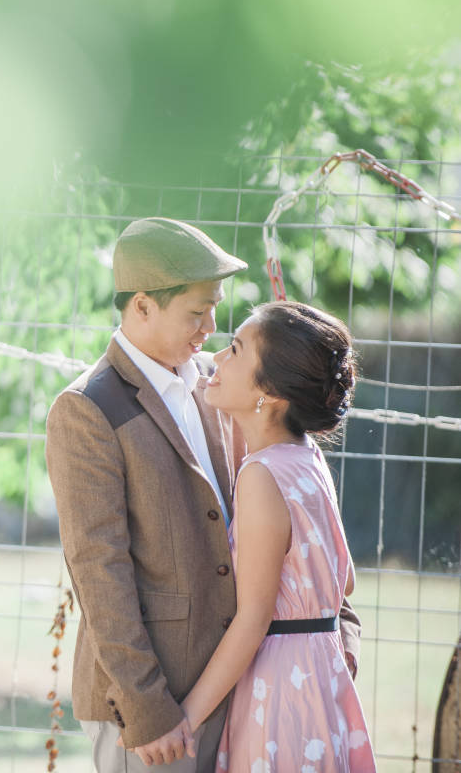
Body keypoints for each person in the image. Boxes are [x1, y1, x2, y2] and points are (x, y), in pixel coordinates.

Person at [45, 217, 362, 773]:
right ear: (142, 306)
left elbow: (296, 525)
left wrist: (337, 629)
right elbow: (99, 572)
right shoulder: (88, 410)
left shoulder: (218, 387)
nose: (211, 328)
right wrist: (148, 709)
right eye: (196, 312)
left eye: (215, 309)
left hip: (242, 687)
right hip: (157, 712)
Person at [179, 300, 376, 771]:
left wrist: (186, 719)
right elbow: (343, 578)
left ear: (270, 392)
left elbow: (252, 620)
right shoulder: (306, 458)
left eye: (235, 350)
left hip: (281, 692)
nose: (218, 360)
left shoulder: (262, 475)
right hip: (321, 680)